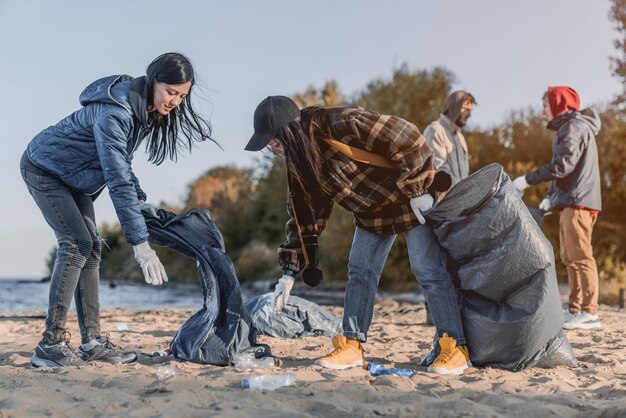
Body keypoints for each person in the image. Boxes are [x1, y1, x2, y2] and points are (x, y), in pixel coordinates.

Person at [244, 96, 471, 375]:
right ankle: (352, 344)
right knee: (360, 271)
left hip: (410, 199)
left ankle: (455, 346)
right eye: (269, 144)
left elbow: (407, 136)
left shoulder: (336, 122)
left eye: (275, 140)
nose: (273, 147)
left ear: (290, 130)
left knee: (428, 269)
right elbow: (305, 213)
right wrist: (290, 270)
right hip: (372, 212)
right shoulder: (299, 162)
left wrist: (418, 191)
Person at [20, 52, 213, 367]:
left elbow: (122, 165)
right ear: (153, 81)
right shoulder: (117, 114)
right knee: (77, 244)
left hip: (75, 177)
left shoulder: (143, 111)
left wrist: (140, 200)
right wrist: (140, 245)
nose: (175, 101)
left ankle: (92, 342)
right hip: (44, 168)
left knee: (93, 247)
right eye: (171, 92)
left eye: (182, 95)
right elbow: (116, 178)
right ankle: (50, 345)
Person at [512, 86, 602, 330]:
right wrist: (551, 198)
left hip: (579, 202)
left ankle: (589, 312)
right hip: (570, 201)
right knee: (569, 258)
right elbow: (564, 171)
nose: (542, 113)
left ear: (558, 104)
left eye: (545, 107)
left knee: (581, 256)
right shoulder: (568, 127)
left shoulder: (575, 126)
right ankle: (575, 310)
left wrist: (526, 180)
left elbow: (562, 166)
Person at [423, 91, 476, 186]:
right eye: (466, 109)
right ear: (453, 107)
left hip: (461, 198)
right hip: (441, 200)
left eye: (470, 111)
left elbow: (464, 176)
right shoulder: (435, 130)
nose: (469, 115)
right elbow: (438, 172)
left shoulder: (461, 138)